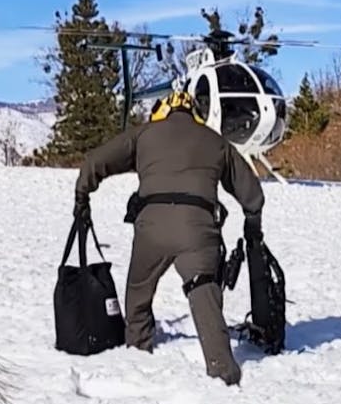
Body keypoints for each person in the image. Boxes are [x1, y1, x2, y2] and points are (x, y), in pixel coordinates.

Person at [73, 90, 265, 386]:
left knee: (138, 290)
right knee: (204, 292)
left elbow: (95, 161)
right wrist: (253, 223)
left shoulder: (144, 135)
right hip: (199, 229)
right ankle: (222, 370)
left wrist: (82, 195)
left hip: (152, 229)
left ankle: (138, 353)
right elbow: (250, 191)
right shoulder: (215, 141)